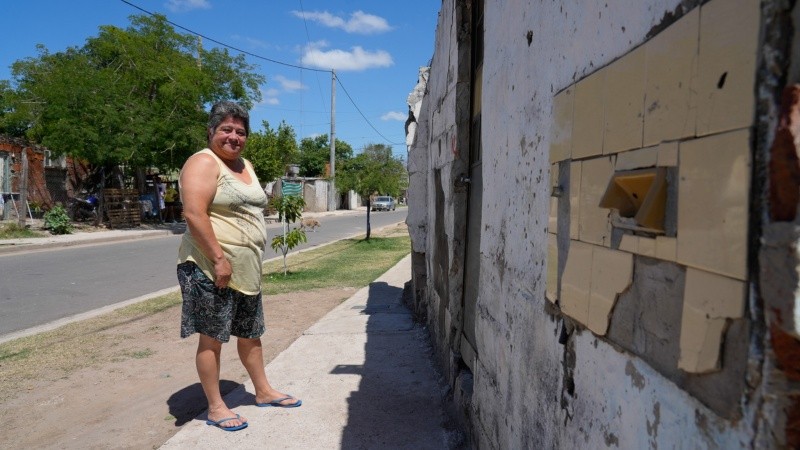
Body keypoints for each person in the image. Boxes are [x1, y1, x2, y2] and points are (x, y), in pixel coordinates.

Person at [177, 101, 301, 432]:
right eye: (226, 129)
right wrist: (219, 259)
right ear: (211, 131)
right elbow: (194, 213)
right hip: (209, 267)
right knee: (212, 338)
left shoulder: (245, 164)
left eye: (240, 131)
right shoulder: (204, 162)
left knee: (250, 333)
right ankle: (216, 407)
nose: (234, 137)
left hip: (245, 269)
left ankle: (263, 391)